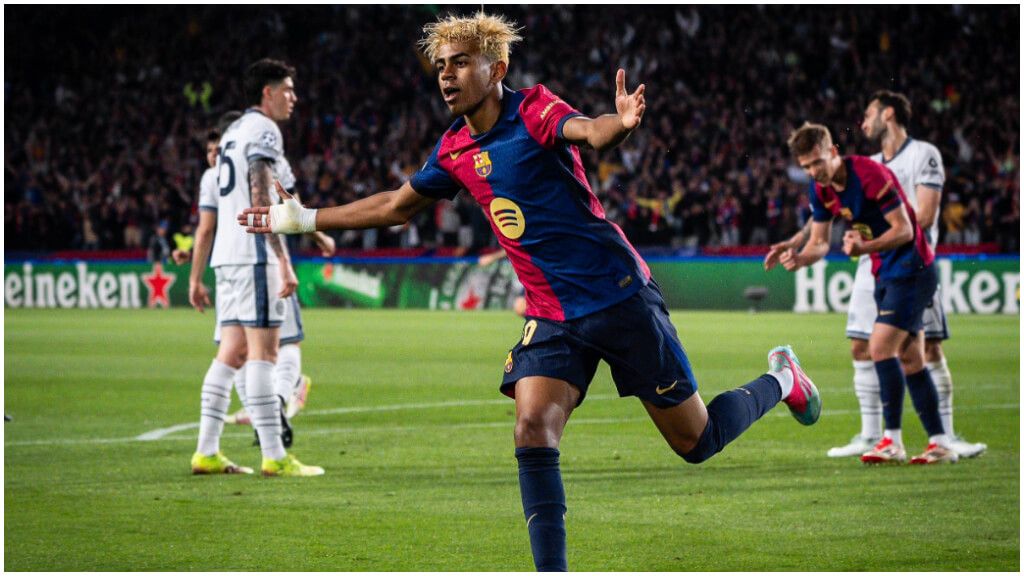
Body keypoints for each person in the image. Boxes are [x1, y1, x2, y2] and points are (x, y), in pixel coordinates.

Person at [240, 13, 819, 570]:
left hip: (618, 297)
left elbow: (589, 131)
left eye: (461, 62)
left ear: (497, 67)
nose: (446, 75)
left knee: (697, 442)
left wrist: (617, 124)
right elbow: (396, 205)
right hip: (553, 316)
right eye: (441, 64)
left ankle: (782, 379)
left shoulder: (534, 109)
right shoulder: (453, 150)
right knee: (531, 426)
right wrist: (304, 218)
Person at [767, 92, 985, 459]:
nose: (814, 172)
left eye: (817, 162)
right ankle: (940, 442)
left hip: (913, 267)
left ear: (833, 150)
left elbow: (905, 229)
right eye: (806, 167)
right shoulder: (819, 189)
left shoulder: (868, 174)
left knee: (880, 346)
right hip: (886, 272)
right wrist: (801, 258)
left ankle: (892, 441)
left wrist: (864, 248)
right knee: (912, 357)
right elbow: (820, 242)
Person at [189, 59, 322, 477]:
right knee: (265, 353)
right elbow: (261, 197)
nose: (293, 97)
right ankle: (275, 457)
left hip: (226, 258)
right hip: (253, 255)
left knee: (232, 352)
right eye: (287, 89)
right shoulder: (264, 129)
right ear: (267, 93)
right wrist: (282, 261)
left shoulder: (232, 133)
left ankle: (206, 452)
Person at [176, 124, 328, 429]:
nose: (214, 155)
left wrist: (194, 270)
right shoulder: (267, 163)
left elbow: (214, 225)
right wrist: (322, 239)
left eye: (217, 149)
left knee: (251, 347)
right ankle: (274, 408)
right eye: (209, 151)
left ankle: (270, 410)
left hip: (240, 263)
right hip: (258, 261)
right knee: (261, 347)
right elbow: (294, 211)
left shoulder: (215, 176)